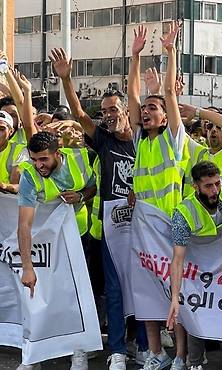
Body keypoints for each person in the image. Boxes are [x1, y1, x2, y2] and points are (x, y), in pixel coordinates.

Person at [49, 46, 149, 369]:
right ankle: (117, 349)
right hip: (111, 224)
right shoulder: (102, 138)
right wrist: (66, 79)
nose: (107, 114)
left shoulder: (141, 139)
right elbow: (79, 114)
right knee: (115, 288)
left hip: (144, 221)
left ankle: (145, 345)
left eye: (112, 109)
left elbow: (135, 96)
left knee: (144, 285)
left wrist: (134, 59)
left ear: (124, 110)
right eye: (104, 110)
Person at [128, 23, 186, 370]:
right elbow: (133, 97)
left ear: (165, 116)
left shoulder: (172, 139)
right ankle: (156, 353)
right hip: (142, 227)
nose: (147, 110)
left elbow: (169, 92)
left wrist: (170, 52)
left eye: (154, 107)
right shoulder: (140, 141)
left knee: (174, 293)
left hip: (170, 226)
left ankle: (179, 355)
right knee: (146, 290)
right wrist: (134, 56)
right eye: (145, 108)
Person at [17, 131, 97, 370]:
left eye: (44, 159)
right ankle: (36, 355)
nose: (39, 165)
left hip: (78, 237)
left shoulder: (80, 160)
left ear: (57, 154)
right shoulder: (29, 174)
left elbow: (92, 187)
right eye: (34, 159)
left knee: (77, 294)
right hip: (47, 242)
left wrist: (81, 195)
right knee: (42, 294)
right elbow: (24, 225)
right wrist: (27, 267)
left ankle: (78, 350)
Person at [166, 161, 222, 370]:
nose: (215, 191)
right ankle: (194, 362)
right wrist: (175, 297)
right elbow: (177, 260)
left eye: (217, 184)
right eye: (208, 186)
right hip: (199, 274)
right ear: (196, 186)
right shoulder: (183, 213)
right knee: (195, 308)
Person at [0, 111, 26, 193]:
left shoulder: (19, 150)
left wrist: (4, 186)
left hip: (9, 201)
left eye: (1, 129)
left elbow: (16, 186)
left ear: (11, 131)